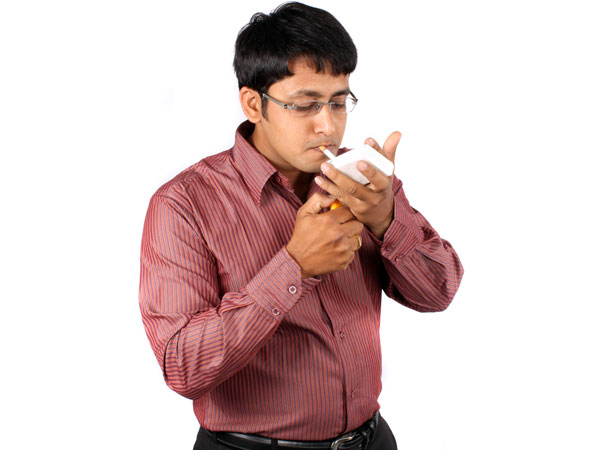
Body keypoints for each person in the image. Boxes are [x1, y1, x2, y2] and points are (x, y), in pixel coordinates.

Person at [139, 2, 464, 449]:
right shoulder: (183, 205)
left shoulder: (362, 181)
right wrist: (295, 266)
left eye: (338, 102)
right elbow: (182, 367)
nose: (327, 126)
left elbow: (438, 293)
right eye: (305, 105)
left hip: (372, 439)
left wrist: (386, 219)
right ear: (254, 104)